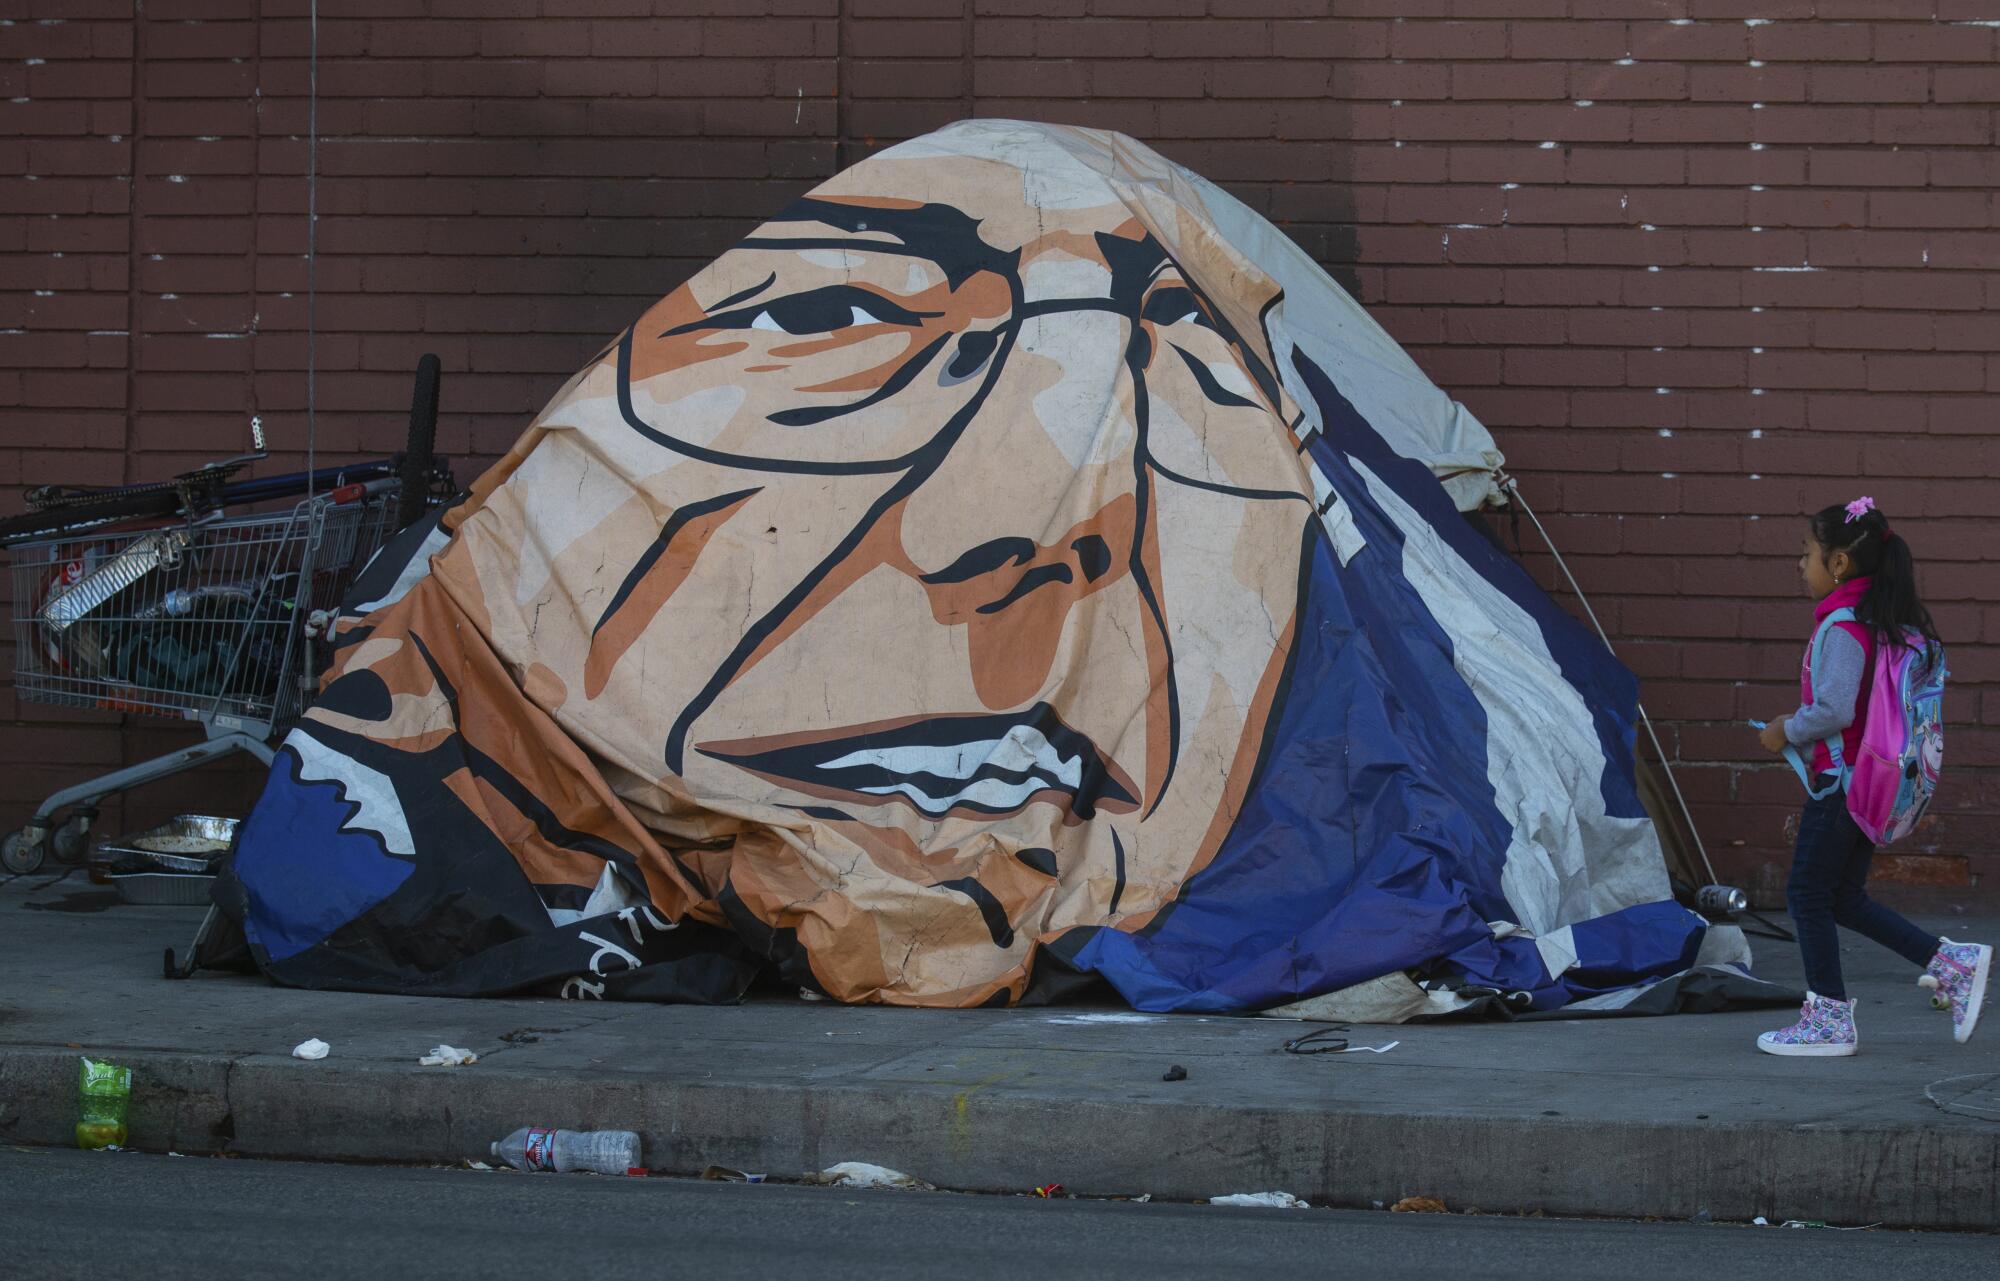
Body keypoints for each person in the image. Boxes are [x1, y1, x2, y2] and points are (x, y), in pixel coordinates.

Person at [1754, 496, 1989, 1056]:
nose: (1800, 563)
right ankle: (1952, 963)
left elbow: (1835, 709)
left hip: (1844, 784)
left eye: (1806, 552)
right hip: (1869, 783)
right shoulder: (1879, 620)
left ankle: (1829, 1021)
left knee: (1807, 895)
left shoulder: (1842, 625)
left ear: (1838, 564)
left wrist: (1786, 728)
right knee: (1842, 898)